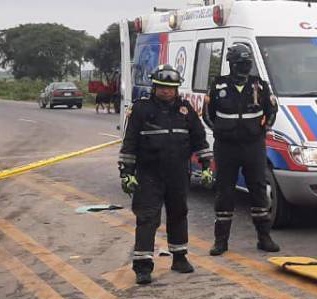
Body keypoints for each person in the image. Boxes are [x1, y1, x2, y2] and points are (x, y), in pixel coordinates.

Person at [118, 64, 211, 285]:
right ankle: (143, 266)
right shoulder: (141, 109)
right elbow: (129, 143)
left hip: (178, 172)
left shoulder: (186, 110)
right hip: (149, 174)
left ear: (177, 89)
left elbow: (199, 139)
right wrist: (126, 173)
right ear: (155, 86)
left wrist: (206, 166)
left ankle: (179, 257)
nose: (166, 91)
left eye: (170, 88)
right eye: (161, 87)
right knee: (147, 217)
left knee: (178, 213)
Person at [204, 42, 280, 255]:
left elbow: (272, 111)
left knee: (258, 190)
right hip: (226, 147)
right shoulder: (218, 86)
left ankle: (264, 238)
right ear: (230, 64)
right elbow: (207, 114)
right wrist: (219, 131)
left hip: (253, 146)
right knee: (224, 191)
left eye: (246, 63)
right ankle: (221, 241)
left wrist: (261, 131)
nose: (243, 67)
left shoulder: (260, 85)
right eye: (238, 64)